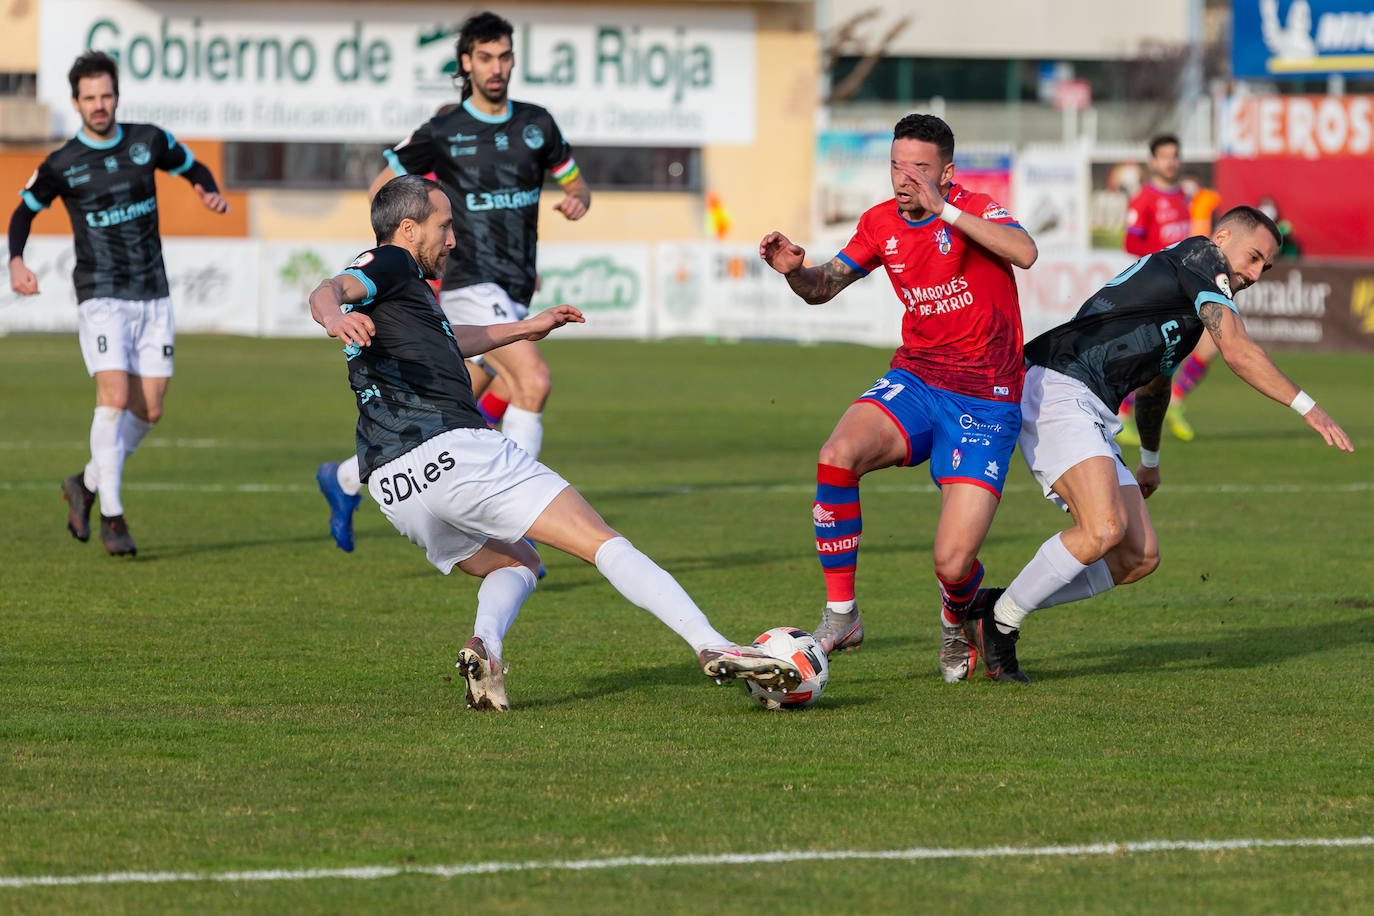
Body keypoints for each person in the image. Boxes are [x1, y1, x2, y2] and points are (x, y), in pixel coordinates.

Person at [311, 175, 800, 710]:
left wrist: (524, 328)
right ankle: (710, 644)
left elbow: (453, 339)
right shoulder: (393, 263)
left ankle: (485, 649)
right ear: (408, 229)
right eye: (444, 227)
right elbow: (327, 290)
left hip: (395, 485)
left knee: (519, 562)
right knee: (602, 542)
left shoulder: (403, 296)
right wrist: (334, 316)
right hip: (457, 454)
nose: (452, 240)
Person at [962, 206, 1353, 682]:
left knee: (1136, 557)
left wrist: (1150, 459)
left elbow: (1154, 386)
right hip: (1059, 383)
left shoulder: (1186, 298)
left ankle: (995, 606)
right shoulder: (1200, 255)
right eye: (1252, 258)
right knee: (1104, 528)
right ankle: (1000, 624)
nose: (1254, 275)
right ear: (1223, 236)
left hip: (1092, 407)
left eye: (1264, 269)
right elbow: (1237, 350)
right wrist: (1308, 406)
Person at [759, 113, 1038, 683]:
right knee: (838, 453)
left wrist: (949, 211)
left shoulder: (974, 206)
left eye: (919, 168)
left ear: (947, 173)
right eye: (896, 165)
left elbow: (1025, 253)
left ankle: (957, 616)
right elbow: (823, 287)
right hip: (918, 378)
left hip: (987, 396)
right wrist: (794, 271)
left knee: (952, 563)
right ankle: (843, 614)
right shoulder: (879, 223)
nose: (904, 178)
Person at [316, 10, 590, 552]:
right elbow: (384, 187)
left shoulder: (538, 123)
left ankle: (345, 479)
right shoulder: (444, 130)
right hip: (468, 280)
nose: (497, 67)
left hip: (514, 288)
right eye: (485, 57)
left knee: (472, 393)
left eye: (505, 56)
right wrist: (397, 251)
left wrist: (578, 196)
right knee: (532, 383)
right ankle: (513, 513)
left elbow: (574, 180)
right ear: (466, 63)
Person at [7, 50, 229, 557]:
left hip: (153, 292)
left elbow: (192, 166)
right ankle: (111, 515)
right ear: (76, 102)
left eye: (106, 95)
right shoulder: (62, 163)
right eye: (90, 98)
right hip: (100, 292)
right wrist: (16, 262)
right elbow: (23, 211)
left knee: (149, 409)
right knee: (112, 398)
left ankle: (84, 482)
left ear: (116, 96)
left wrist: (208, 191)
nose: (99, 105)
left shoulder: (146, 140)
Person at [1117, 134, 1204, 445]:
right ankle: (1122, 412)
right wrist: (1164, 259)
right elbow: (1131, 242)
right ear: (1153, 162)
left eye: (1175, 155)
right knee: (1155, 355)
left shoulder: (1184, 197)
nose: (1171, 161)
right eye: (1165, 156)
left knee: (1208, 344)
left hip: (1185, 286)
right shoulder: (1144, 199)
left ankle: (1176, 400)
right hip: (1157, 288)